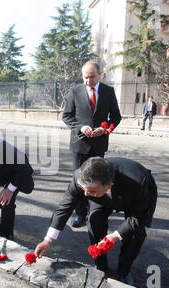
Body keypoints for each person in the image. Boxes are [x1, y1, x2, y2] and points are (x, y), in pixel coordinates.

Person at [34, 157, 157, 285]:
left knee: (134, 234)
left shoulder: (139, 182)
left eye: (90, 191)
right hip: (101, 196)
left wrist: (115, 236)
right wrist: (48, 240)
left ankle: (124, 270)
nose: (86, 195)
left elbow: (139, 218)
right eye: (83, 189)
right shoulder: (80, 178)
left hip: (134, 196)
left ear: (109, 185)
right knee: (94, 220)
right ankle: (100, 264)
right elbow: (65, 207)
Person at [62, 61, 122, 228]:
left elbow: (116, 117)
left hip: (99, 145)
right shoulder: (75, 91)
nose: (87, 80)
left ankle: (94, 212)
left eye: (91, 77)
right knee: (80, 180)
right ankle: (79, 213)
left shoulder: (108, 91)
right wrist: (81, 127)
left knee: (97, 180)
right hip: (80, 146)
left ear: (100, 75)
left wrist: (104, 129)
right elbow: (67, 116)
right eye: (85, 77)